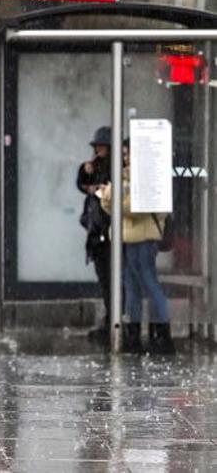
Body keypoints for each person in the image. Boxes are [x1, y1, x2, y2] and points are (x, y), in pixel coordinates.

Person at [101, 142, 175, 355]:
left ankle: (162, 333)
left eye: (129, 154)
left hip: (144, 239)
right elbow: (109, 206)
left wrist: (113, 198)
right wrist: (110, 197)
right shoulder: (123, 176)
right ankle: (133, 334)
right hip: (126, 238)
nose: (125, 159)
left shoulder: (150, 178)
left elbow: (137, 207)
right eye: (124, 154)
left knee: (149, 283)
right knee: (132, 286)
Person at [76, 126, 113, 343]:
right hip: (96, 232)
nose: (98, 150)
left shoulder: (114, 167)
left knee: (111, 280)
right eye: (96, 147)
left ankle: (115, 321)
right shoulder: (94, 165)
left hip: (107, 231)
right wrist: (85, 174)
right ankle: (110, 320)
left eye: (102, 147)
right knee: (104, 279)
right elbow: (82, 184)